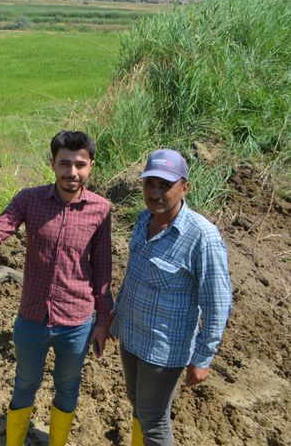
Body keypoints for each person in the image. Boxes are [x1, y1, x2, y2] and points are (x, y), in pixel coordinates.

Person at [0, 130, 112, 446]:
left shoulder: (101, 210)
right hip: (32, 317)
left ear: (91, 166)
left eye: (79, 164)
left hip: (76, 321)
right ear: (52, 164)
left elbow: (102, 269)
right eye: (64, 164)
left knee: (68, 384)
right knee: (25, 384)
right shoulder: (29, 200)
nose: (71, 173)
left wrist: (103, 321)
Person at [111, 149, 232, 446]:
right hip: (132, 338)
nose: (155, 192)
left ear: (184, 187)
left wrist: (203, 357)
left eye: (165, 185)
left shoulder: (202, 236)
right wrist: (116, 316)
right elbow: (133, 276)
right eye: (149, 183)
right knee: (138, 404)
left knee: (154, 421)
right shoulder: (143, 220)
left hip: (163, 351)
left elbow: (217, 303)